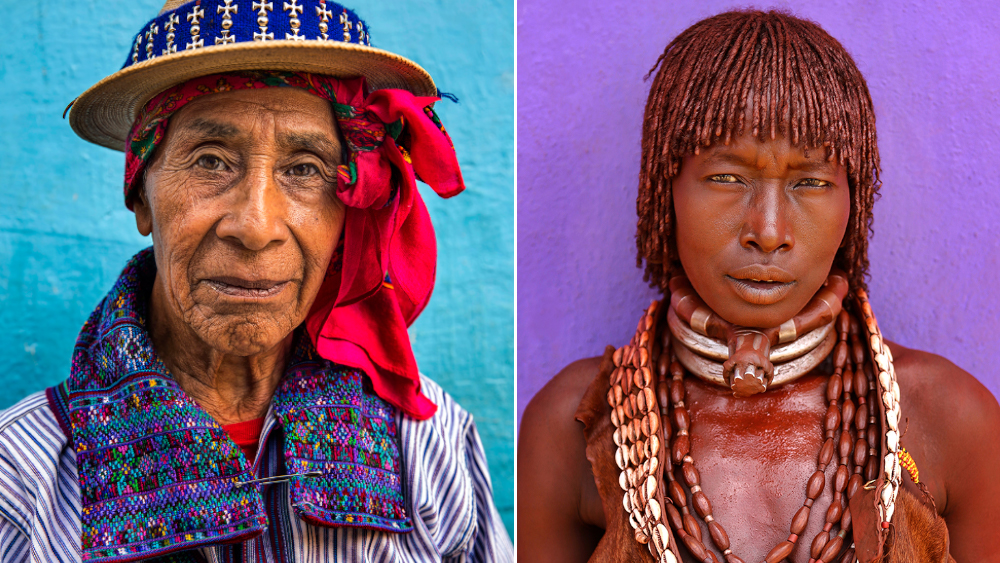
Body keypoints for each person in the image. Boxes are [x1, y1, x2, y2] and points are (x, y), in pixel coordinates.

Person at [0, 1, 513, 562]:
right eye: (211, 161)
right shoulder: (22, 480)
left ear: (348, 211)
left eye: (304, 169)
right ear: (140, 197)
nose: (256, 226)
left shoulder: (427, 447)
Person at [518, 9, 1000, 563]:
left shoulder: (950, 420)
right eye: (726, 177)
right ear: (663, 191)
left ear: (854, 202)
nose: (768, 232)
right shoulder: (573, 427)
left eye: (812, 182)